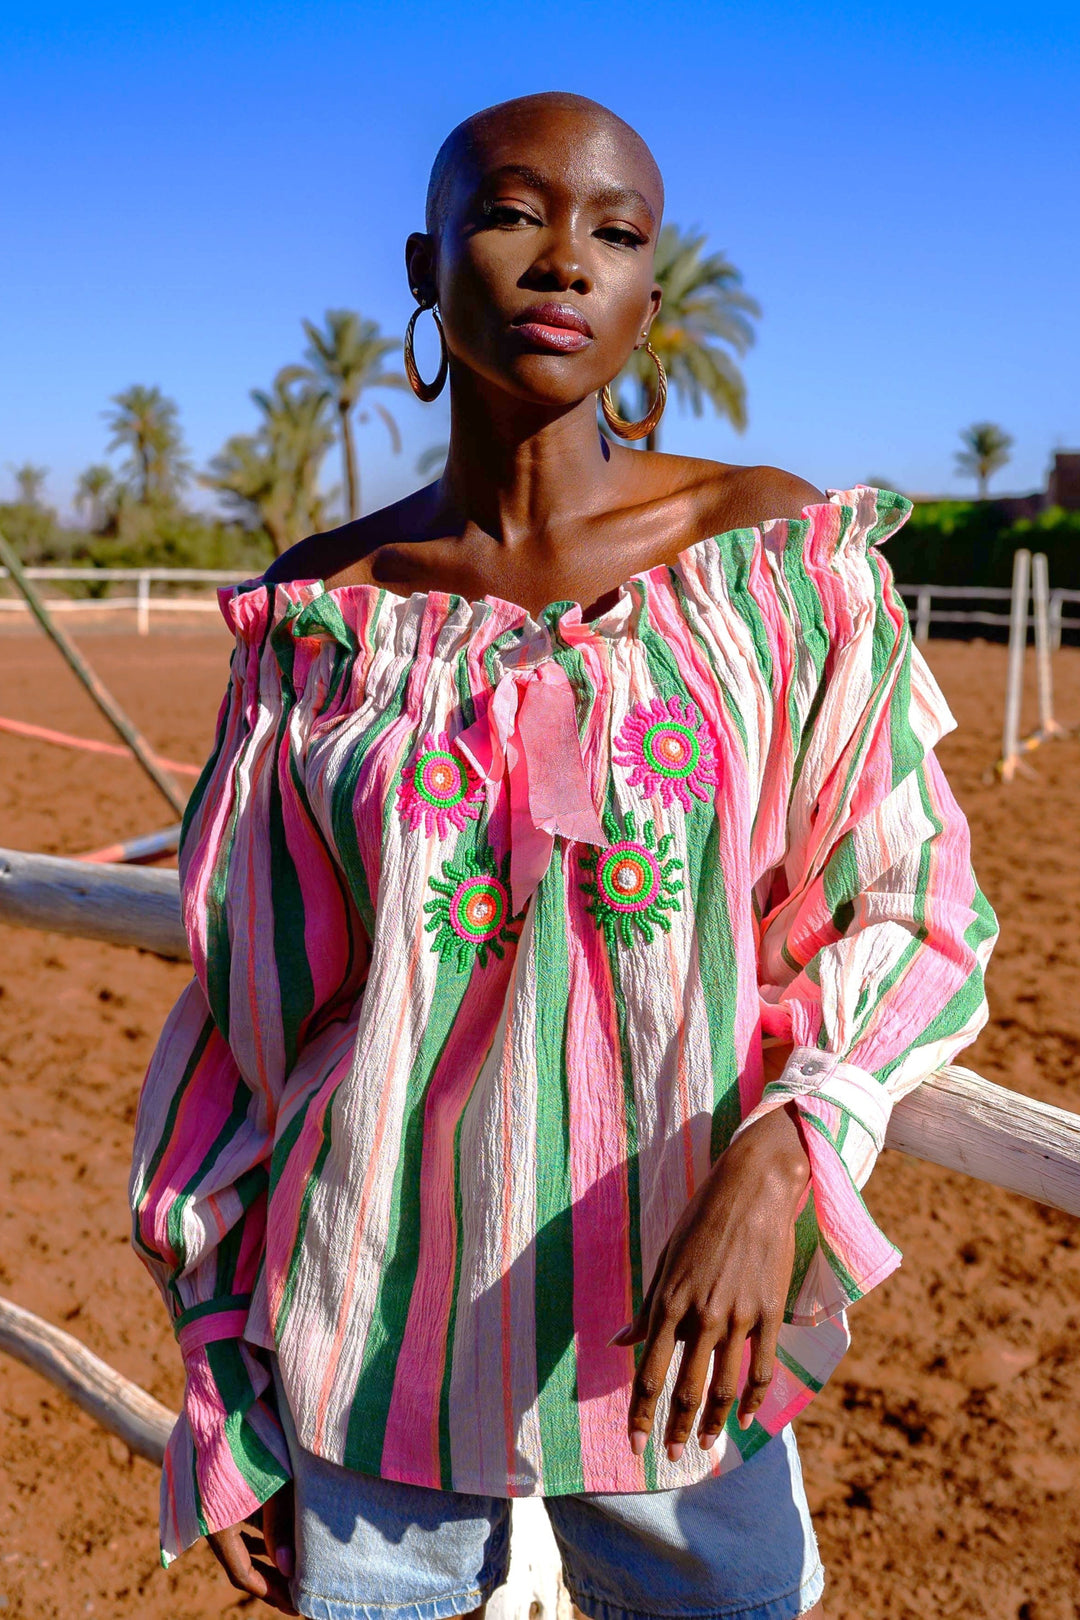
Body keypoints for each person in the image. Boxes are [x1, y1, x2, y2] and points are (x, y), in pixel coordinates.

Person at [129, 90, 997, 1620]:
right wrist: (224, 1356)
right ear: (425, 262)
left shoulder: (773, 567)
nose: (563, 261)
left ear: (653, 295)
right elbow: (250, 1010)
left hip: (680, 1336)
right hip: (367, 1342)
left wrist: (790, 1153)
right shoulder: (327, 618)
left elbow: (917, 902)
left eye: (615, 231)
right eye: (514, 213)